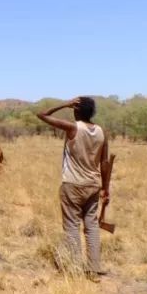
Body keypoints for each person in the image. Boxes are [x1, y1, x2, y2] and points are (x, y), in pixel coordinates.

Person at [37, 96, 113, 278]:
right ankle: (93, 269)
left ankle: (76, 268)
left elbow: (42, 115)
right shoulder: (102, 132)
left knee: (71, 226)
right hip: (93, 185)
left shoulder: (73, 128)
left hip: (72, 184)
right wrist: (105, 187)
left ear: (76, 110)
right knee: (92, 227)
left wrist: (64, 104)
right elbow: (105, 162)